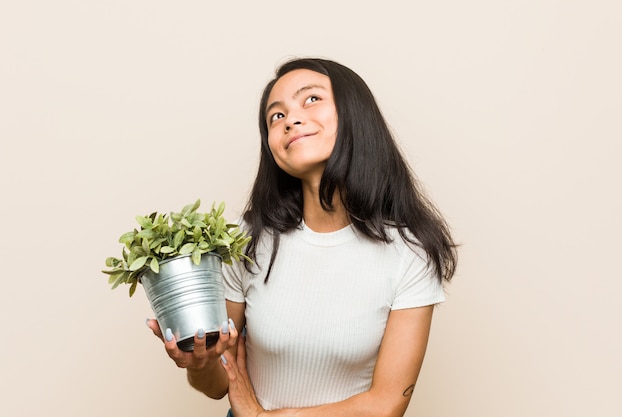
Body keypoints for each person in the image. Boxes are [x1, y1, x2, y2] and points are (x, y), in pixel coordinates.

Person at [147, 57, 457, 417]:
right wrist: (199, 364)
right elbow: (218, 384)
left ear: (355, 113)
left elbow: (386, 405)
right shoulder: (245, 242)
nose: (290, 119)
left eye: (311, 99)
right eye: (276, 116)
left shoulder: (410, 254)